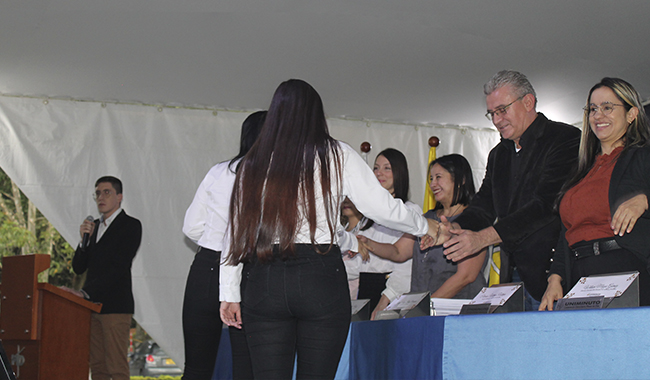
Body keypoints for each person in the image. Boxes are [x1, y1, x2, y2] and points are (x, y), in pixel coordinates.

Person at [218, 79, 436, 380]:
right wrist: (426, 225)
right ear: (315, 114)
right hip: (318, 276)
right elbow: (381, 207)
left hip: (264, 278)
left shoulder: (251, 163)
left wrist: (228, 292)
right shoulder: (336, 154)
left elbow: (235, 233)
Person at [435, 70, 581, 309]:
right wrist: (455, 227)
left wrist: (483, 238)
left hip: (555, 272)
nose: (496, 120)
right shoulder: (498, 154)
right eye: (491, 113)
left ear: (528, 102)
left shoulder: (565, 138)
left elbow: (546, 206)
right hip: (512, 276)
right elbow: (484, 206)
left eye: (502, 110)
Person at [540, 77, 650, 310]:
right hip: (580, 274)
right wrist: (555, 277)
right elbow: (565, 232)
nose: (598, 115)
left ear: (631, 114)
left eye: (608, 107)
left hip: (626, 268)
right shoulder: (581, 171)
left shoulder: (642, 155)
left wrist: (644, 200)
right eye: (593, 109)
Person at [181, 111, 266, 379]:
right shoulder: (274, 178)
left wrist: (214, 241)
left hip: (207, 266)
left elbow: (191, 227)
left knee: (197, 367)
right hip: (252, 271)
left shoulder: (219, 171)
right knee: (247, 365)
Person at [360, 154, 486, 304]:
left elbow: (466, 276)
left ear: (461, 179)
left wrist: (426, 305)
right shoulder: (427, 219)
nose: (433, 184)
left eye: (438, 177)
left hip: (457, 310)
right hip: (423, 309)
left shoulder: (475, 219)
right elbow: (398, 252)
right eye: (431, 179)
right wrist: (368, 243)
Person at [62, 176, 142, 380]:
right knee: (97, 367)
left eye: (107, 192)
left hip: (115, 306)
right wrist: (83, 242)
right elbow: (79, 268)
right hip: (92, 307)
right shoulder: (94, 227)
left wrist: (84, 293)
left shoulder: (130, 225)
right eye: (97, 193)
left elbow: (118, 267)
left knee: (116, 366)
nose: (101, 197)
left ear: (120, 197)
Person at [338, 148, 418, 316]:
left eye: (386, 168)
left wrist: (385, 300)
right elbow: (359, 262)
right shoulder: (368, 216)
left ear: (400, 172)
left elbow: (405, 267)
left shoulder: (409, 211)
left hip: (388, 291)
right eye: (376, 168)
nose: (379, 173)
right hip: (361, 288)